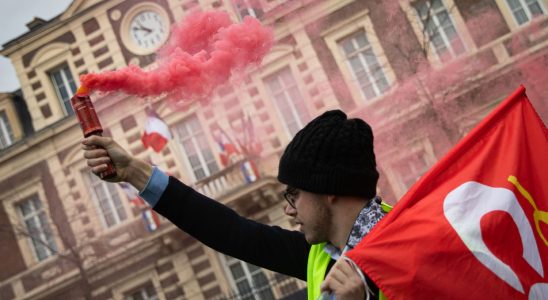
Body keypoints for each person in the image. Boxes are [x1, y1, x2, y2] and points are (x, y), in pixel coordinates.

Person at [82, 110, 386, 299]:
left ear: (328, 190)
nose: (288, 209)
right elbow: (229, 232)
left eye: (294, 194)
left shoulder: (408, 246)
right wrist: (135, 172)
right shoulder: (320, 254)